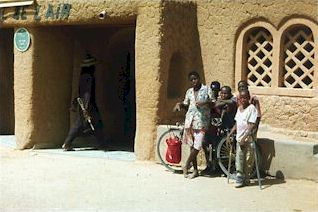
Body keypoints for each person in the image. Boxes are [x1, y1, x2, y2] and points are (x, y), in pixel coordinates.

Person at [62, 54, 107, 151]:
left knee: (96, 123)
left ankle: (101, 143)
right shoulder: (88, 76)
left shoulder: (83, 75)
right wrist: (86, 108)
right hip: (88, 104)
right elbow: (87, 92)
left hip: (85, 104)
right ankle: (67, 143)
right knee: (80, 124)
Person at [173, 71, 212, 179]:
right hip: (190, 121)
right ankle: (195, 171)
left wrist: (204, 103)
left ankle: (186, 164)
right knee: (192, 145)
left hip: (202, 121)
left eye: (195, 79)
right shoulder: (189, 92)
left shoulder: (207, 89)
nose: (194, 81)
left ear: (199, 78)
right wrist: (180, 105)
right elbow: (186, 104)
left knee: (198, 145)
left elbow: (213, 103)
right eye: (191, 80)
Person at [202, 85, 237, 175]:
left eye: (225, 93)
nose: (223, 95)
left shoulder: (232, 100)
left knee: (220, 148)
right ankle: (209, 165)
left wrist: (220, 102)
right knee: (206, 145)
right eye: (222, 93)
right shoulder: (216, 100)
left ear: (230, 94)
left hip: (227, 128)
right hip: (214, 127)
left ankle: (220, 168)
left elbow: (230, 102)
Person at [227, 89, 258, 188]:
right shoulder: (239, 108)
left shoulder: (252, 108)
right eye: (241, 98)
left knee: (248, 160)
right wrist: (230, 134)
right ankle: (240, 177)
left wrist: (245, 138)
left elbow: (251, 125)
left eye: (245, 98)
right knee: (239, 158)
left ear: (249, 98)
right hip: (239, 138)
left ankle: (246, 178)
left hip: (248, 138)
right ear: (239, 99)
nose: (243, 100)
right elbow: (237, 123)